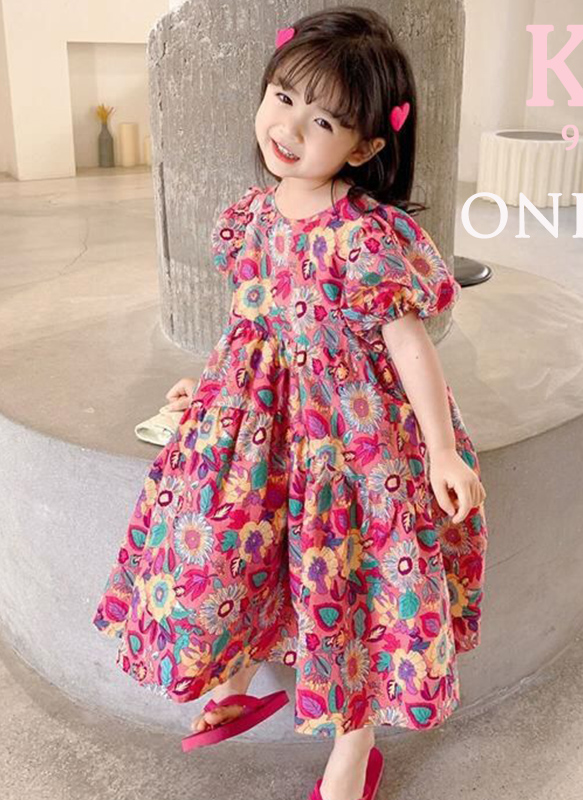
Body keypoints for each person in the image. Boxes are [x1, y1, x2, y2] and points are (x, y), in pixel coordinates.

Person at [92, 6, 489, 800]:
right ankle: (236, 681)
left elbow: (409, 343)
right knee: (228, 542)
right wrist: (210, 384)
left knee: (347, 578)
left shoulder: (367, 235)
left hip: (350, 433)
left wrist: (442, 451)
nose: (290, 128)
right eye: (282, 98)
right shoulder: (250, 216)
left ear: (365, 147)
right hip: (257, 417)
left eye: (324, 121)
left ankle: (354, 749)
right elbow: (251, 317)